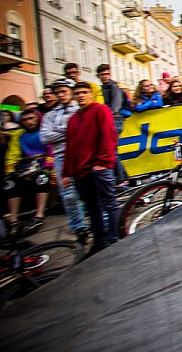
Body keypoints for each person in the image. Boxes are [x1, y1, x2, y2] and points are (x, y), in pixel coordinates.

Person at [63, 81, 119, 254]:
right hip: (81, 171)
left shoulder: (101, 110)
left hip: (99, 167)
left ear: (90, 94)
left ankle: (114, 237)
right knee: (92, 209)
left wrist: (102, 162)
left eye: (84, 92)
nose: (81, 95)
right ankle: (99, 242)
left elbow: (108, 135)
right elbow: (70, 147)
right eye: (77, 93)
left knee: (109, 203)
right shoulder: (72, 120)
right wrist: (66, 172)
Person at [40, 78, 89, 242]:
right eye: (57, 92)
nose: (60, 95)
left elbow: (83, 131)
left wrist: (59, 131)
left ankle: (101, 221)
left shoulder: (81, 110)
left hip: (81, 154)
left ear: (71, 92)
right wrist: (69, 131)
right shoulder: (50, 115)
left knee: (89, 191)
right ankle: (79, 227)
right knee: (68, 195)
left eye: (64, 91)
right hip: (61, 156)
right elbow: (45, 137)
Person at [3, 109, 53, 234]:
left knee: (42, 177)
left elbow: (51, 152)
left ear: (37, 118)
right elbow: (12, 155)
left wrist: (46, 165)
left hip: (44, 166)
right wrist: (11, 171)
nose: (29, 122)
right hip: (26, 167)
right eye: (25, 120)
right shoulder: (19, 135)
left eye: (31, 118)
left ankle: (39, 215)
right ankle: (14, 221)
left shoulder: (45, 131)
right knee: (9, 183)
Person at [97, 63, 129, 184]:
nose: (104, 76)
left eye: (106, 74)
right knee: (111, 150)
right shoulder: (102, 88)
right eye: (102, 74)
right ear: (98, 76)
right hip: (109, 120)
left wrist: (104, 115)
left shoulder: (114, 87)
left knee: (111, 150)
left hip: (114, 120)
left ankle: (122, 178)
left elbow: (116, 106)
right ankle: (122, 177)